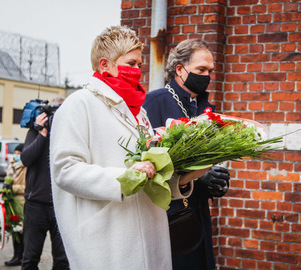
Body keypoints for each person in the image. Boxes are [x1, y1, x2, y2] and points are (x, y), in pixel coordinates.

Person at [49, 26, 207, 270]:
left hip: (150, 235)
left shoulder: (139, 112)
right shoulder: (79, 105)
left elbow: (149, 171)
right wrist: (126, 178)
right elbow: (65, 170)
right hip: (108, 240)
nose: (137, 71)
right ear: (105, 64)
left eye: (139, 65)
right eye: (131, 63)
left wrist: (182, 181)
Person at [143, 39, 230, 270]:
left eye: (210, 71)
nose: (207, 75)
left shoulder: (204, 107)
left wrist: (215, 178)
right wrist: (197, 178)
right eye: (201, 69)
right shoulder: (155, 101)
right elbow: (146, 159)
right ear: (180, 69)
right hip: (168, 215)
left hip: (197, 210)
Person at [21, 97, 69, 270]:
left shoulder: (68, 135)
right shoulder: (35, 131)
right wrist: (41, 134)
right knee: (30, 258)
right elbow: (26, 159)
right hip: (36, 206)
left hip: (62, 206)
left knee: (63, 260)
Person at [3, 143, 26, 266]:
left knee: (21, 231)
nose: (16, 156)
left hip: (21, 203)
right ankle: (16, 256)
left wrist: (12, 188)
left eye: (19, 154)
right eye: (15, 153)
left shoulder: (25, 167)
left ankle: (21, 257)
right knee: (14, 230)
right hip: (12, 203)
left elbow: (27, 187)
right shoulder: (12, 164)